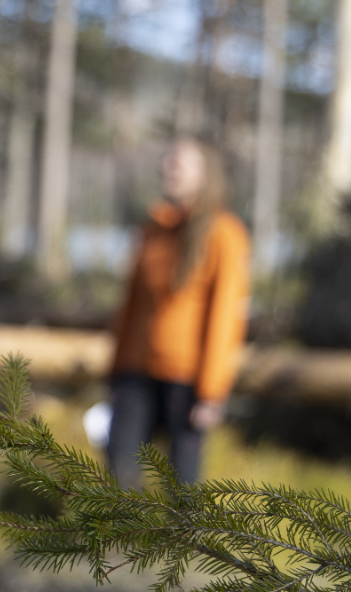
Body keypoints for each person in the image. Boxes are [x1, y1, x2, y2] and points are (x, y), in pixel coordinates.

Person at [107, 137, 250, 488]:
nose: (168, 168)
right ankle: (119, 528)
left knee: (181, 486)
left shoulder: (224, 233)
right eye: (167, 161)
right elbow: (131, 306)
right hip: (136, 373)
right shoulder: (152, 229)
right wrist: (116, 368)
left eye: (180, 163)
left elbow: (225, 318)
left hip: (186, 381)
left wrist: (211, 391)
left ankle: (180, 530)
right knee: (119, 473)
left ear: (205, 174)